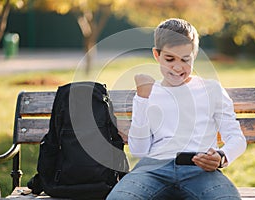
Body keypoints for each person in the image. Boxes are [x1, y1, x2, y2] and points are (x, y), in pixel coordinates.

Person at [106, 18, 247, 200]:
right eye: (169, 59)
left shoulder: (211, 89)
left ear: (194, 55)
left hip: (199, 171)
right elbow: (139, 151)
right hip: (152, 170)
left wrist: (221, 156)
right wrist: (142, 99)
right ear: (157, 55)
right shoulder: (149, 92)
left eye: (185, 59)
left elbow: (236, 137)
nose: (178, 67)